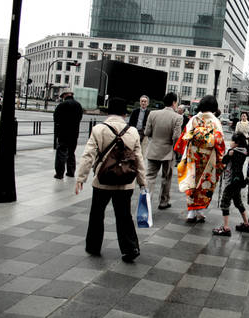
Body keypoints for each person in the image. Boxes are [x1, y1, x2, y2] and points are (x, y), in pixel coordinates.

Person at [75, 97, 146, 263]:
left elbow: (88, 155)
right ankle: (130, 248)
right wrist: (143, 182)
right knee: (124, 215)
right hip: (126, 182)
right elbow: (138, 159)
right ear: (124, 113)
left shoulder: (99, 129)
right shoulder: (133, 131)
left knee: (97, 214)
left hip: (102, 180)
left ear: (108, 111)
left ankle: (93, 246)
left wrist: (81, 178)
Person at [175, 95, 225, 223]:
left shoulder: (194, 119)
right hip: (209, 156)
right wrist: (221, 159)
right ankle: (200, 211)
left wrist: (184, 154)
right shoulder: (215, 121)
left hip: (193, 155)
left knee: (192, 181)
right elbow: (219, 141)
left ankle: (191, 213)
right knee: (205, 183)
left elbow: (185, 136)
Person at [144, 92, 183, 210]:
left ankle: (146, 202)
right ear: (174, 103)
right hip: (168, 151)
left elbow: (147, 132)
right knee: (166, 177)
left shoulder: (153, 113)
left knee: (150, 177)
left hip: (153, 149)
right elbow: (176, 136)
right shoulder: (177, 117)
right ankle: (163, 201)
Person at [213, 133, 249, 236]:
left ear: (237, 143)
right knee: (238, 202)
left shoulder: (233, 152)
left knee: (225, 203)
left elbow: (224, 161)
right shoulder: (244, 151)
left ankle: (225, 228)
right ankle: (246, 224)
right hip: (238, 182)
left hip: (231, 182)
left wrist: (228, 154)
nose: (230, 142)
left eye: (232, 141)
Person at [53, 90, 83, 179]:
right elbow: (80, 118)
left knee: (61, 153)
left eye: (63, 96)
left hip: (63, 133)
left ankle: (59, 173)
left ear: (65, 95)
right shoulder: (78, 105)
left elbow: (56, 118)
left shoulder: (62, 105)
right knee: (71, 153)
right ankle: (71, 172)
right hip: (74, 133)